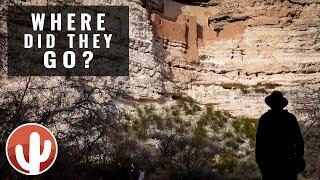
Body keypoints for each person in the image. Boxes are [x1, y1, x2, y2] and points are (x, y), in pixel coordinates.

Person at [256, 91, 305, 180]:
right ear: (282, 104)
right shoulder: (290, 118)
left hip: (269, 163)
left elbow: (259, 143)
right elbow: (299, 141)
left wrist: (260, 162)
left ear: (270, 104)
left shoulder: (265, 118)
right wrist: (299, 157)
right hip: (288, 161)